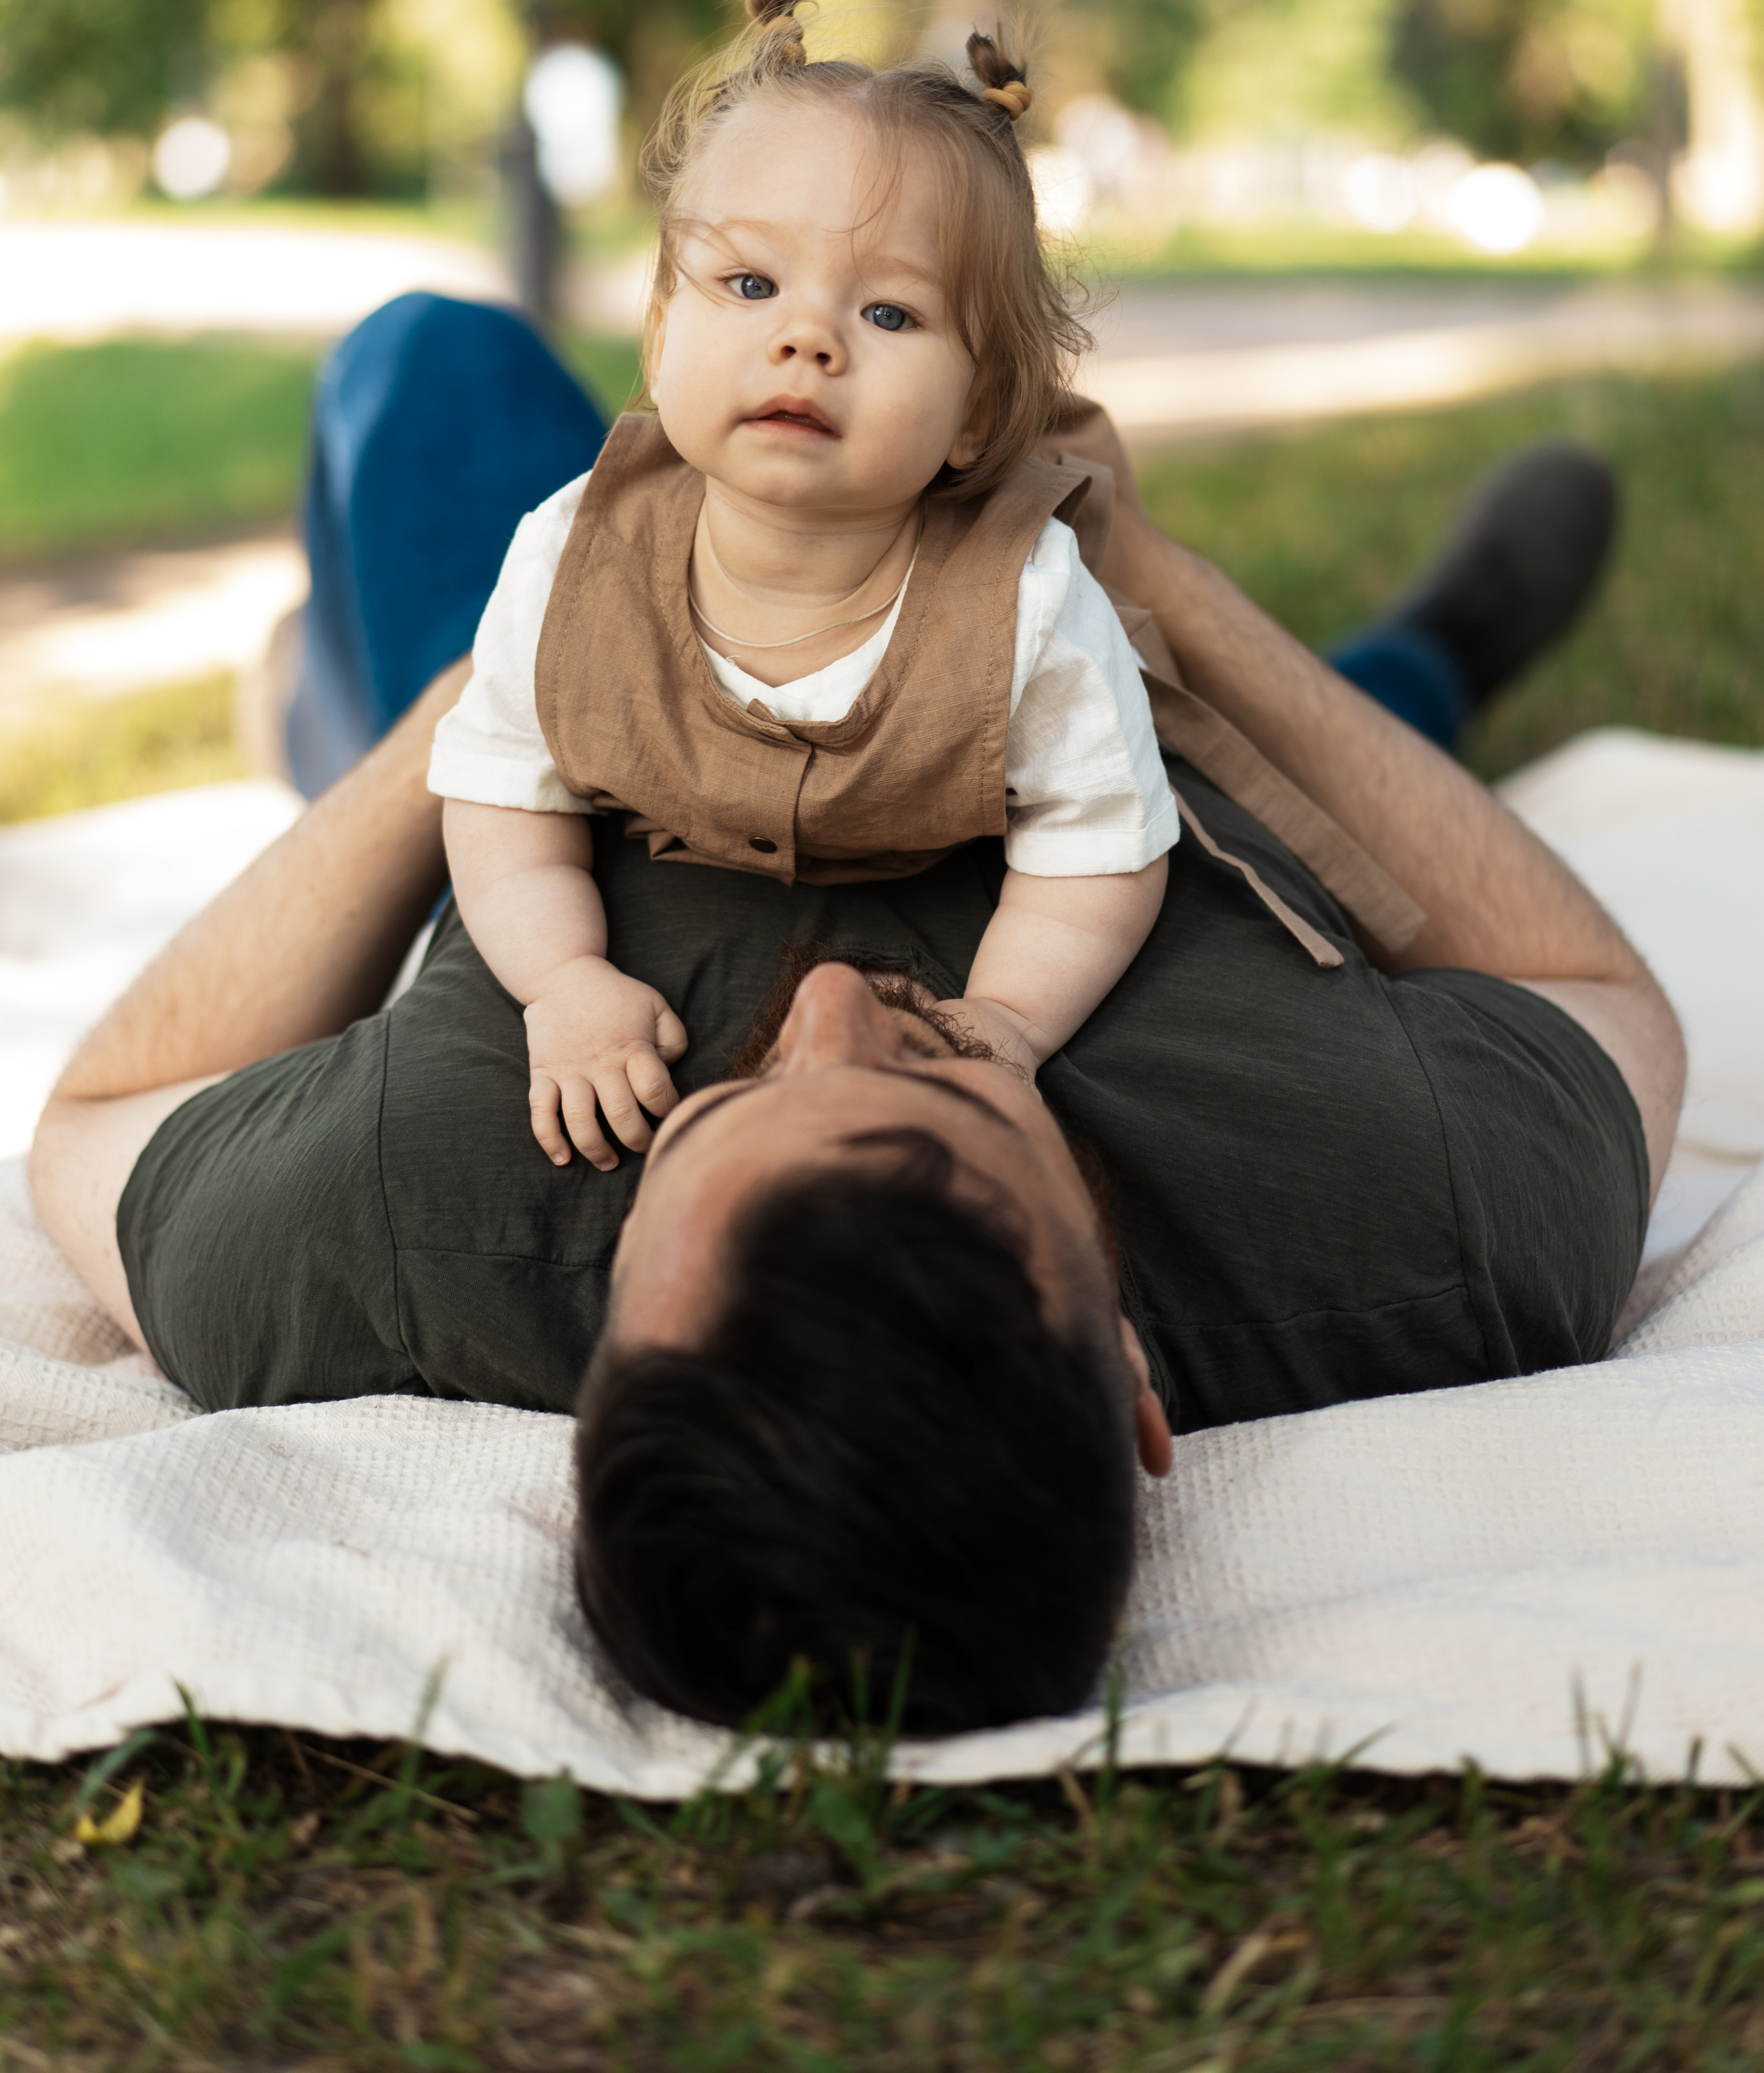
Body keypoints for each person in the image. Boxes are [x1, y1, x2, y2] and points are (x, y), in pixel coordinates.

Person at [28, 303, 1681, 1740]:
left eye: (720, 1112)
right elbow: (1592, 999)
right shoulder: (1418, 1218)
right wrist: (1144, 569)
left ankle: (326, 712)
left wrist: (487, 687)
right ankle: (1429, 653)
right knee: (1354, 737)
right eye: (945, 1098)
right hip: (1119, 722)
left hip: (604, 663)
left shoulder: (395, 1215)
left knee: (429, 361)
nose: (827, 1007)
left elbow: (101, 1119)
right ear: (1121, 1367)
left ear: (600, 1357)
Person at [430, 0, 1175, 1175]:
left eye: (889, 315)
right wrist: (564, 981)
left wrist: (1010, 1022)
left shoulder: (1028, 605)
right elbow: (506, 791)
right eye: (750, 284)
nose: (806, 335)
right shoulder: (572, 556)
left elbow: (1099, 840)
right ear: (663, 333)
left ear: (981, 413)